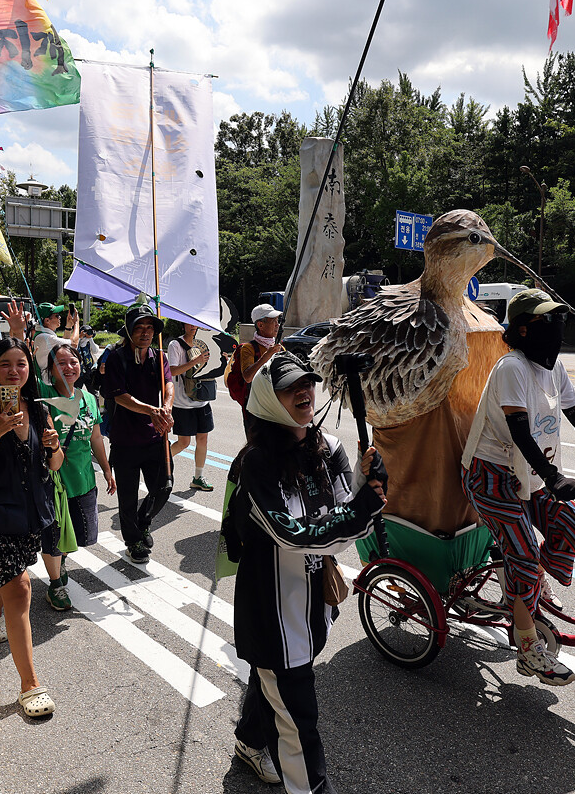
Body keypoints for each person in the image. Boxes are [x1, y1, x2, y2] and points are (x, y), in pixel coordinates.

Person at [461, 289, 575, 687]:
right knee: (523, 555)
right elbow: (519, 430)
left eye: (560, 320)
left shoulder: (552, 367)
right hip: (492, 476)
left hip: (534, 473)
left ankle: (525, 588)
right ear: (523, 329)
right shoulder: (512, 368)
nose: (558, 329)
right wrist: (555, 478)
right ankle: (526, 647)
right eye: (548, 322)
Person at [229, 353, 386, 793]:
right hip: (274, 616)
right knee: (300, 723)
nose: (304, 392)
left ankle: (248, 740)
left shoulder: (329, 448)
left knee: (276, 685)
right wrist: (360, 509)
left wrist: (367, 484)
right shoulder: (256, 465)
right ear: (266, 400)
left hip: (313, 605)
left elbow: (341, 519)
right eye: (290, 387)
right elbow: (292, 535)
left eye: (309, 383)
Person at [0, 337, 64, 717]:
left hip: (30, 513)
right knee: (20, 585)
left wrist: (53, 446)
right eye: (6, 364)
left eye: (21, 364)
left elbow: (53, 466)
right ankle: (30, 685)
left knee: (8, 578)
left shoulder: (38, 410)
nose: (14, 371)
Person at [37, 343, 116, 610]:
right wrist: (17, 332)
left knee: (79, 536)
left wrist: (106, 469)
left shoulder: (89, 398)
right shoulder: (42, 394)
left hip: (83, 480)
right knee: (54, 538)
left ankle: (59, 565)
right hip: (53, 481)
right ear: (50, 369)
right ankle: (56, 585)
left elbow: (95, 436)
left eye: (72, 361)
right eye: (60, 363)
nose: (69, 367)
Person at [102, 304, 173, 564]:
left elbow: (168, 383)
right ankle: (133, 541)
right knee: (128, 497)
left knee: (164, 487)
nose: (145, 332)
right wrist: (151, 410)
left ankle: (143, 522)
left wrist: (165, 407)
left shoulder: (160, 356)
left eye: (150, 327)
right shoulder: (116, 358)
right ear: (129, 331)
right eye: (139, 327)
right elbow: (119, 396)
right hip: (125, 440)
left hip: (157, 437)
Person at [168, 323, 216, 492]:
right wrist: (195, 361)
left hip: (202, 399)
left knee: (203, 439)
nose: (193, 326)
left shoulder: (205, 343)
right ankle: (161, 461)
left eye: (196, 323)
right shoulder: (175, 345)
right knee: (184, 442)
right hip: (183, 402)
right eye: (189, 323)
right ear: (182, 325)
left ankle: (198, 477)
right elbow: (172, 371)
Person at [236, 305, 284, 436]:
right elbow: (248, 377)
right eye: (273, 321)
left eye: (277, 321)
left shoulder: (279, 348)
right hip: (255, 408)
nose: (277, 325)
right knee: (257, 447)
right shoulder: (248, 348)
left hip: (274, 407)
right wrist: (268, 355)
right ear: (260, 325)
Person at [31, 303, 78, 382]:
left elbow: (64, 346)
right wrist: (76, 323)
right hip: (46, 385)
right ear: (47, 320)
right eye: (57, 316)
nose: (59, 317)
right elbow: (74, 343)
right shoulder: (45, 337)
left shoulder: (43, 334)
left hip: (47, 381)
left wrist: (69, 325)